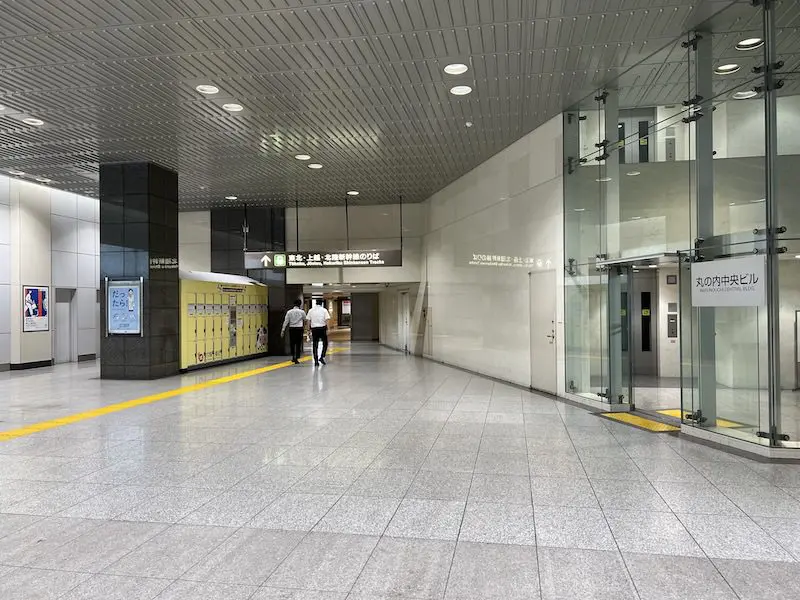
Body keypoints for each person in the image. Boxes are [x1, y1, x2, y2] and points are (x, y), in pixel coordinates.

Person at [306, 299, 331, 366]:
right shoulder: (324, 310)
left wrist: (308, 330)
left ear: (316, 303)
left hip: (314, 329)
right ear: (321, 303)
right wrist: (328, 329)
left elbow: (308, 321)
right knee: (325, 343)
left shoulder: (310, 310)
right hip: (322, 328)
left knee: (315, 344)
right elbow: (327, 320)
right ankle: (322, 357)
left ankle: (316, 361)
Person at [281, 299, 306, 364]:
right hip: (299, 329)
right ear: (300, 304)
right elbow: (305, 319)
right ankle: (297, 357)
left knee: (292, 343)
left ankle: (293, 356)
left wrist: (283, 330)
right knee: (298, 343)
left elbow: (286, 321)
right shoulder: (302, 312)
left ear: (294, 304)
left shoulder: (289, 312)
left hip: (292, 329)